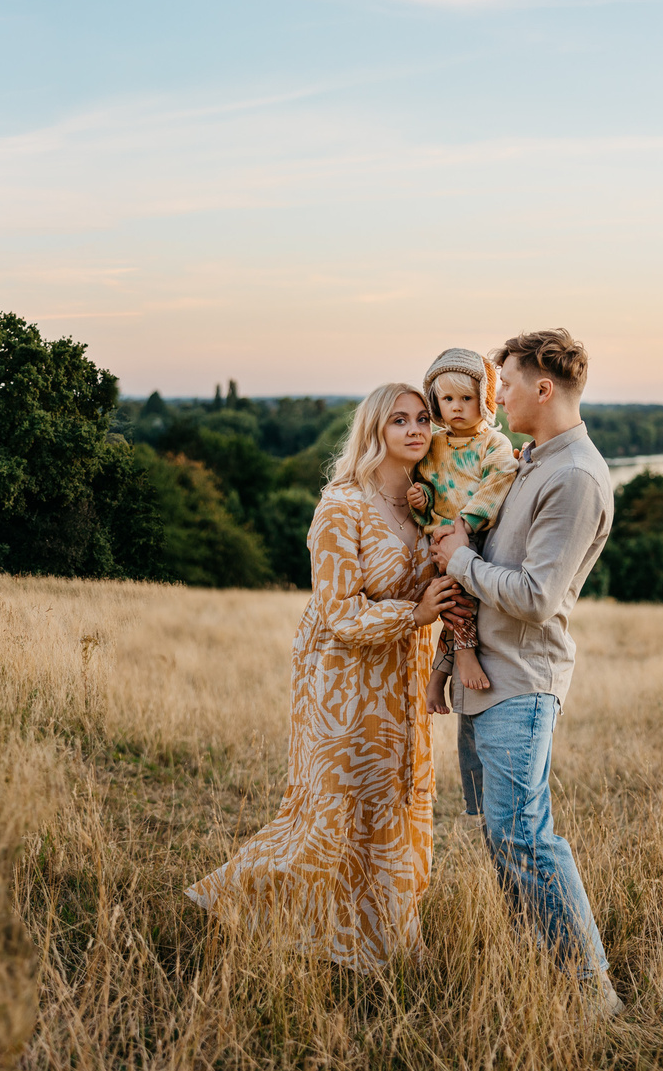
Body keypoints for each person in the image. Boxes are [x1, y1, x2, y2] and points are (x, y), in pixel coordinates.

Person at [187, 382, 467, 973]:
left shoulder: (425, 506)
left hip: (400, 680)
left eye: (424, 418)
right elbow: (337, 613)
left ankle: (389, 943)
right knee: (330, 815)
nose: (416, 429)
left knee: (391, 810)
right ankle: (230, 904)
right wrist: (415, 614)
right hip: (341, 682)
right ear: (374, 430)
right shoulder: (342, 505)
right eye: (399, 420)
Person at [423, 328, 621, 1016]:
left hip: (521, 681)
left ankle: (591, 994)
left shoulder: (575, 476)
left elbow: (538, 596)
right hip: (486, 675)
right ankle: (551, 978)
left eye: (505, 384)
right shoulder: (528, 461)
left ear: (544, 387)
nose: (495, 396)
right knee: (502, 835)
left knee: (524, 837)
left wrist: (458, 560)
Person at [405, 347, 521, 702]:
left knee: (458, 601)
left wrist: (465, 525)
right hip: (439, 538)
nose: (456, 407)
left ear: (484, 399)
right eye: (448, 399)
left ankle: (442, 673)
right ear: (435, 402)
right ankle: (459, 661)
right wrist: (422, 498)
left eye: (466, 398)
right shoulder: (434, 445)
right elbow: (428, 482)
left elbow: (497, 482)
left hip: (474, 534)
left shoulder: (493, 443)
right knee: (455, 602)